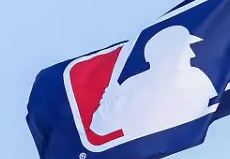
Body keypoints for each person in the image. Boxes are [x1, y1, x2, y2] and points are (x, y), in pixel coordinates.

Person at [90, 25, 218, 139]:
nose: (192, 54)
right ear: (168, 54)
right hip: (145, 151)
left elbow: (215, 103)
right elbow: (100, 128)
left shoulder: (196, 77)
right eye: (185, 48)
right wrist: (109, 101)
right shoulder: (133, 85)